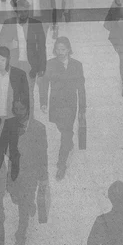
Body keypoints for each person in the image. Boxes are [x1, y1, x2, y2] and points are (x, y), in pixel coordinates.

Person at [0, 99, 48, 245]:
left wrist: (43, 177)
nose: (19, 112)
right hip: (14, 173)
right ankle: (29, 204)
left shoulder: (39, 128)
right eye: (16, 109)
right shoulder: (9, 124)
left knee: (23, 208)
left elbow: (42, 155)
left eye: (22, 108)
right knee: (15, 198)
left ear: (28, 109)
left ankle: (20, 237)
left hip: (30, 175)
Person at [39, 37, 86, 181]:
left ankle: (61, 165)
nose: (60, 52)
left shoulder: (77, 65)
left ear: (68, 50)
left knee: (66, 133)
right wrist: (43, 102)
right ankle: (68, 141)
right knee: (62, 128)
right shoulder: (50, 64)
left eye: (63, 49)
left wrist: (82, 109)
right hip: (56, 104)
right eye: (58, 49)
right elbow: (44, 83)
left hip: (70, 105)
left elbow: (81, 88)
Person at [0, 0, 47, 109]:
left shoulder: (36, 24)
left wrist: (42, 67)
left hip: (30, 66)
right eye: (20, 11)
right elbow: (0, 41)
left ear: (29, 11)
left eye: (25, 11)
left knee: (29, 95)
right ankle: (15, 122)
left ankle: (30, 122)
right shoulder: (8, 23)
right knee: (13, 93)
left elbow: (42, 48)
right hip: (13, 65)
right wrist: (10, 44)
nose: (22, 14)